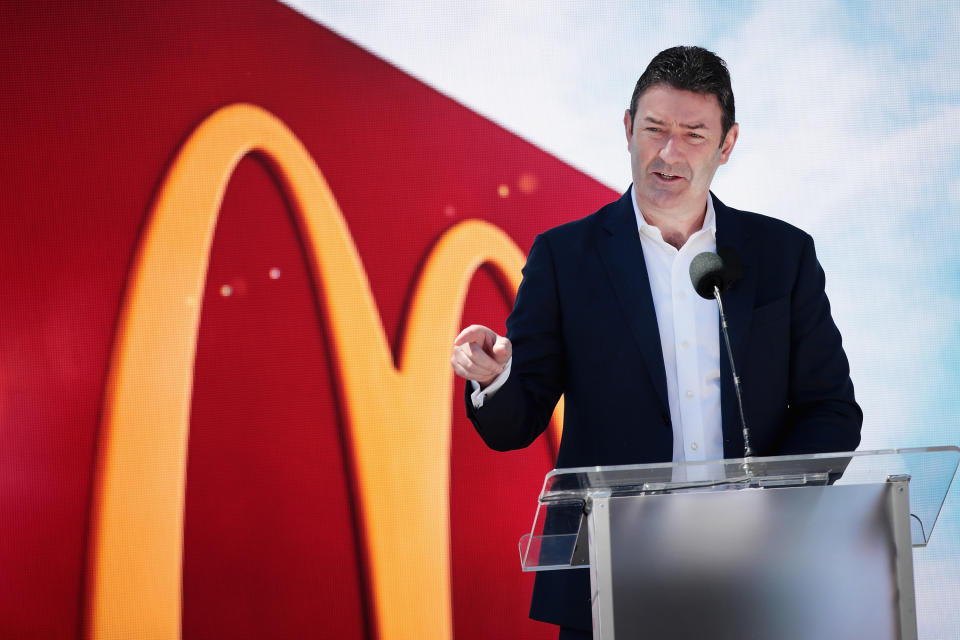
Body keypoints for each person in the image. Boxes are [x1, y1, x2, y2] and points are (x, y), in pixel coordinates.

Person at [450, 46, 862, 639]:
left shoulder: (783, 256)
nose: (669, 153)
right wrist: (493, 379)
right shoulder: (567, 257)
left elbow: (831, 411)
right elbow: (515, 423)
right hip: (611, 584)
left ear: (727, 144)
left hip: (758, 578)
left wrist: (770, 510)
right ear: (627, 128)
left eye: (694, 134)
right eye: (655, 130)